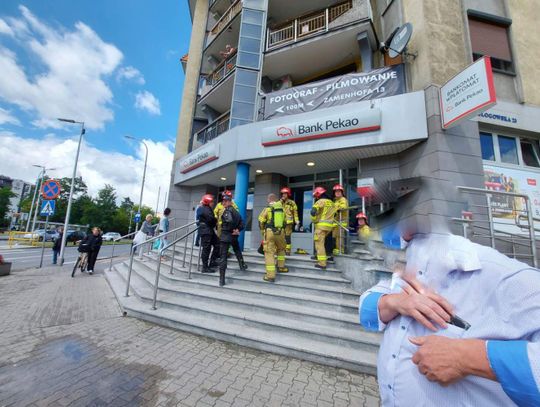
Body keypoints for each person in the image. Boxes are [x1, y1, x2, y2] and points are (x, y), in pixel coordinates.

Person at [359, 228, 540, 407]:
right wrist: (392, 302)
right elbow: (366, 308)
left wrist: (470, 357)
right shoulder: (410, 268)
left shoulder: (503, 275)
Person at [218, 195, 247, 286]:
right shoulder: (237, 212)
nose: (224, 203)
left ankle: (222, 280)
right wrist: (237, 230)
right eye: (223, 201)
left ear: (230, 202)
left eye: (225, 201)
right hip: (233, 236)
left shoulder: (227, 211)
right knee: (237, 250)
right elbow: (242, 224)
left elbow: (229, 221)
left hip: (226, 236)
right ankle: (242, 265)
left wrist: (232, 230)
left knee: (223, 257)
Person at [258, 193, 288, 282]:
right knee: (281, 249)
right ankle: (281, 267)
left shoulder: (267, 209)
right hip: (281, 232)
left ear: (269, 200)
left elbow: (261, 222)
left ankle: (270, 276)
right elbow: (286, 222)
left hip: (270, 232)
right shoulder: (282, 209)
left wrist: (263, 232)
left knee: (269, 253)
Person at [310, 187, 337, 270]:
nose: (316, 198)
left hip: (320, 226)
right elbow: (335, 214)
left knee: (319, 244)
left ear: (318, 194)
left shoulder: (319, 202)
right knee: (322, 243)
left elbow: (313, 212)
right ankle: (319, 257)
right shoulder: (332, 203)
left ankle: (322, 263)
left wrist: (314, 220)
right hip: (329, 227)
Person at [197, 194, 220, 273]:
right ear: (208, 202)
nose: (213, 203)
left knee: (217, 244)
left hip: (208, 230)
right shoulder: (205, 209)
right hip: (206, 231)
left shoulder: (205, 208)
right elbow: (211, 219)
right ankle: (205, 267)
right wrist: (216, 220)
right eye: (212, 201)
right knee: (206, 249)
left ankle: (212, 262)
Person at [280, 187, 299, 256]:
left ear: (288, 194)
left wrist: (297, 221)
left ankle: (287, 251)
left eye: (285, 194)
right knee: (280, 237)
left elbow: (295, 213)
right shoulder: (279, 202)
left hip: (289, 223)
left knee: (287, 237)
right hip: (280, 223)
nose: (283, 195)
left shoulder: (292, 203)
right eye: (282, 194)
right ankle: (281, 250)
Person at [332, 184, 349, 255]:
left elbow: (343, 206)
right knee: (336, 238)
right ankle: (337, 252)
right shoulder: (335, 201)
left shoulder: (343, 199)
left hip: (341, 222)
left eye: (339, 191)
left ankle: (341, 252)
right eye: (336, 192)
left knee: (340, 238)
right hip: (336, 222)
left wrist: (337, 209)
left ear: (342, 193)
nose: (337, 193)